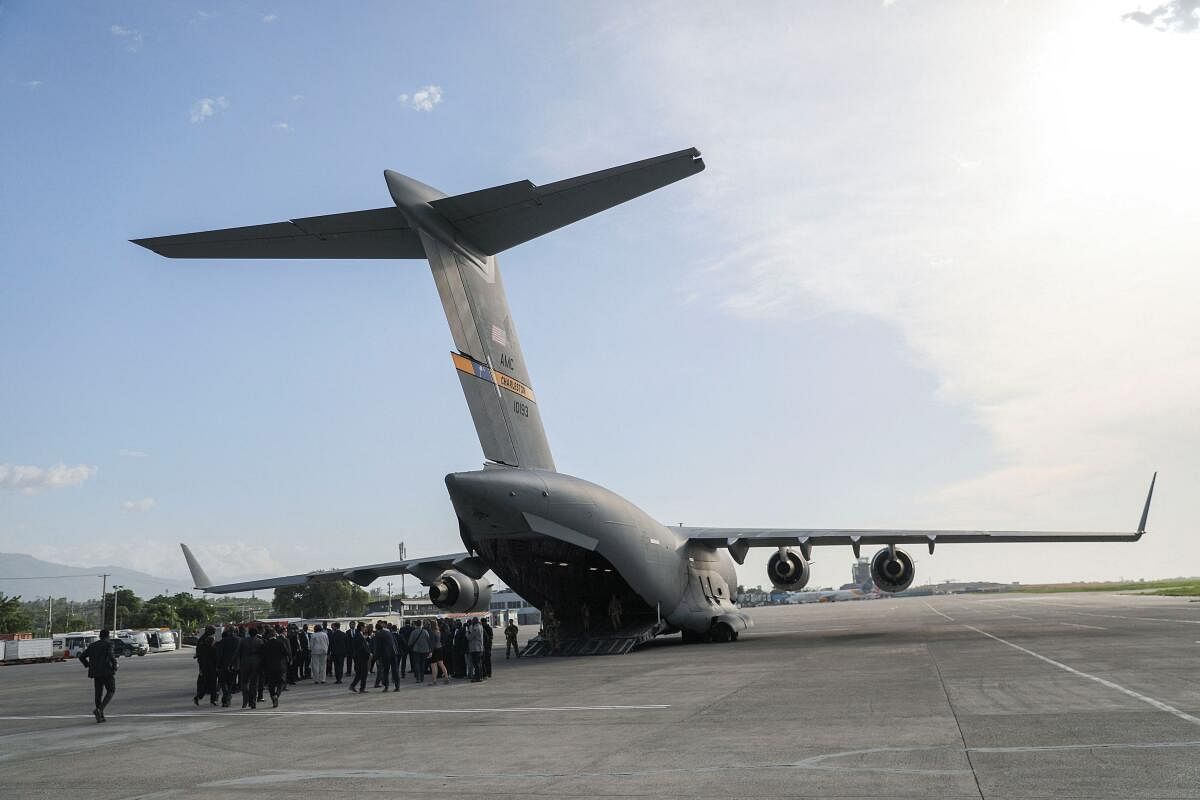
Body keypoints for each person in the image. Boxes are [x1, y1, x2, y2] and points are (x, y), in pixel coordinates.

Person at [78, 628, 118, 723]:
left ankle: (100, 716)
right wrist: (115, 666)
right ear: (108, 636)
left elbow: (81, 657)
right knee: (111, 690)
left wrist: (88, 665)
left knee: (98, 693)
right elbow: (111, 655)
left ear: (100, 636)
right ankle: (100, 710)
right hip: (107, 671)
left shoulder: (92, 645)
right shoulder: (109, 644)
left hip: (95, 673)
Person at [262, 627, 289, 708]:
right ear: (275, 635)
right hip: (280, 666)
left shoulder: (266, 644)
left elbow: (263, 656)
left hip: (269, 666)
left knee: (271, 684)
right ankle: (277, 695)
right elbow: (286, 652)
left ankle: (273, 696)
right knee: (281, 682)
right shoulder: (280, 643)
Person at [239, 626, 264, 709]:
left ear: (249, 633)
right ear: (256, 633)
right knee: (254, 684)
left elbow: (238, 652)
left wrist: (235, 662)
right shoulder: (260, 641)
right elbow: (262, 654)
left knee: (244, 682)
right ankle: (253, 702)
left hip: (245, 662)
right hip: (256, 663)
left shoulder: (243, 641)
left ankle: (245, 700)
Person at [193, 625, 219, 706]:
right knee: (208, 683)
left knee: (210, 683)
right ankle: (200, 697)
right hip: (207, 665)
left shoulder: (205, 639)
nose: (214, 632)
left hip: (206, 665)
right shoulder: (205, 641)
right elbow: (199, 654)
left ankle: (211, 699)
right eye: (213, 631)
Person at [216, 628, 241, 707]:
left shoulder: (223, 641)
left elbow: (219, 654)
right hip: (235, 665)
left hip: (224, 664)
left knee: (223, 682)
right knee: (231, 682)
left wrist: (218, 665)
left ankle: (226, 696)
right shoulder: (239, 640)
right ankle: (227, 697)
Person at [371, 621, 397, 691]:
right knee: (394, 670)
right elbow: (394, 642)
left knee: (385, 671)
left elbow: (377, 647)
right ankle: (397, 686)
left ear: (376, 629)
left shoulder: (378, 635)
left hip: (385, 655)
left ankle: (386, 686)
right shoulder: (389, 633)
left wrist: (376, 658)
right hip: (393, 653)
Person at [349, 622, 371, 693]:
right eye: (365, 627)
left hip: (359, 657)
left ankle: (353, 686)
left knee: (359, 673)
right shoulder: (358, 635)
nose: (366, 628)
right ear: (361, 627)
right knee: (364, 673)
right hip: (361, 657)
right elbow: (362, 647)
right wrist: (369, 653)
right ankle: (362, 689)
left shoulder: (359, 634)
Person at [408, 619, 431, 683]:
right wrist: (429, 650)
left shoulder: (413, 632)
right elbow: (428, 640)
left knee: (417, 663)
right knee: (423, 663)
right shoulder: (425, 631)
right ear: (421, 624)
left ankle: (417, 678)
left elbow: (410, 642)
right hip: (424, 650)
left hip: (416, 650)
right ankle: (422, 678)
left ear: (416, 625)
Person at [428, 619, 449, 685]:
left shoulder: (432, 632)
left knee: (433, 665)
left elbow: (432, 643)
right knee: (441, 664)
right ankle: (446, 677)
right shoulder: (438, 631)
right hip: (440, 648)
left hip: (435, 649)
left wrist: (430, 651)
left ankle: (434, 680)